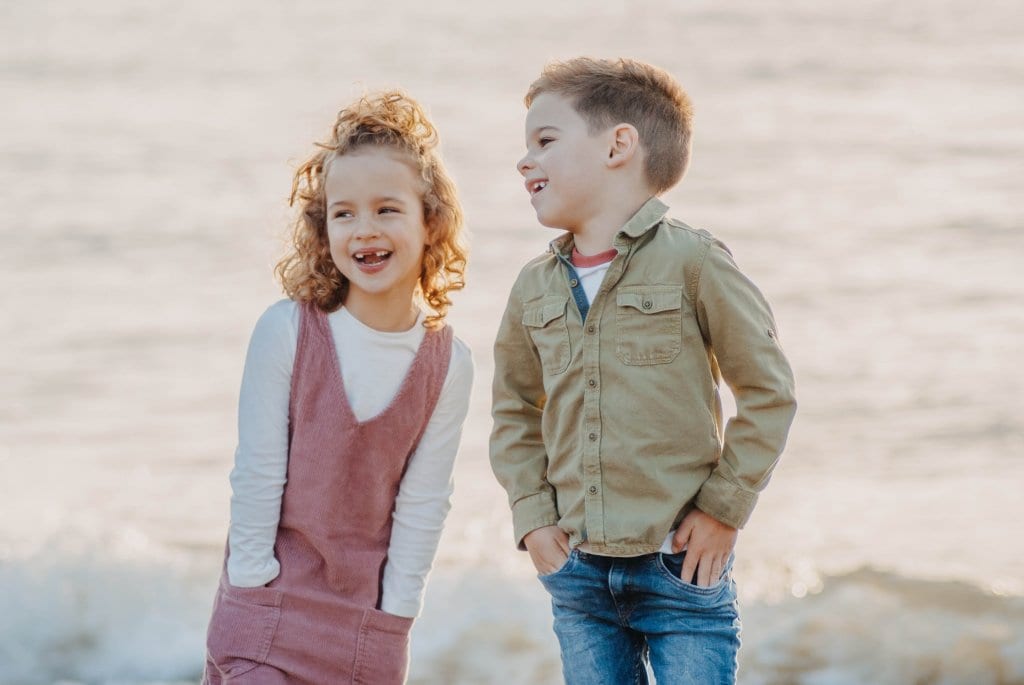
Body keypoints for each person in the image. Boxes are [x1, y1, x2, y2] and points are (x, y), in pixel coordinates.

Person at [489, 57, 797, 684]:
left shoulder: (694, 261)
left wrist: (723, 510)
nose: (525, 161)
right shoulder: (533, 288)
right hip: (577, 572)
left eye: (545, 141)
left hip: (679, 566)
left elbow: (769, 392)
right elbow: (515, 409)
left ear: (618, 147)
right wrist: (533, 516)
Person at [203, 90, 473, 684]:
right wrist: (251, 589)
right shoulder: (286, 332)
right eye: (343, 212)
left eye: (387, 209)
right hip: (265, 621)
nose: (364, 230)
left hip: (363, 637)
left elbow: (423, 506)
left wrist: (394, 620)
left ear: (431, 222)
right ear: (322, 232)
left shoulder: (447, 364)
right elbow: (257, 475)